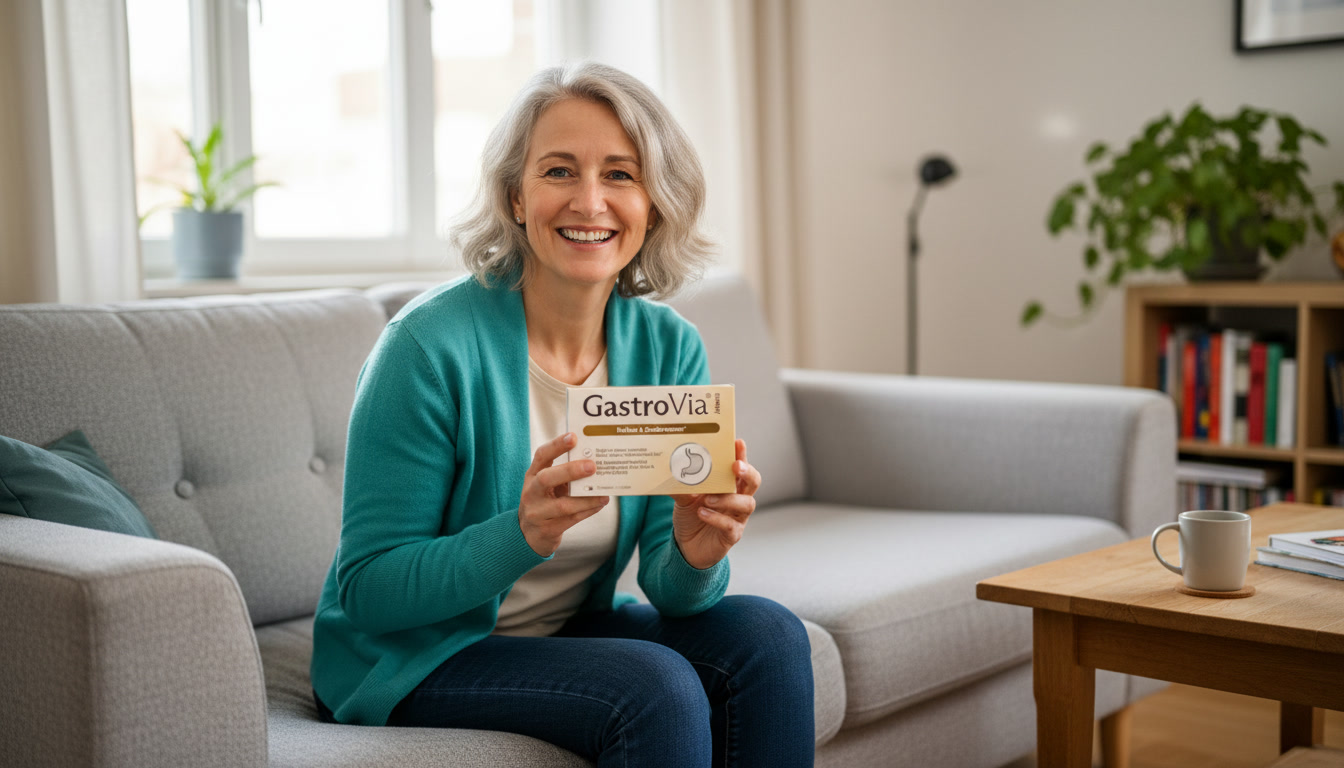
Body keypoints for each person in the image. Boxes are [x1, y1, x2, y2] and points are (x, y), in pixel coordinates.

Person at [310, 62, 815, 768]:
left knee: (768, 636)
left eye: (619, 174)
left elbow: (671, 587)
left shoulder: (669, 345)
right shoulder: (427, 347)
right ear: (516, 197)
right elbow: (369, 592)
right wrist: (521, 533)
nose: (589, 201)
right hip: (416, 655)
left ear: (654, 202)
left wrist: (697, 551)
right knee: (653, 685)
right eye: (557, 172)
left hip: (565, 628)